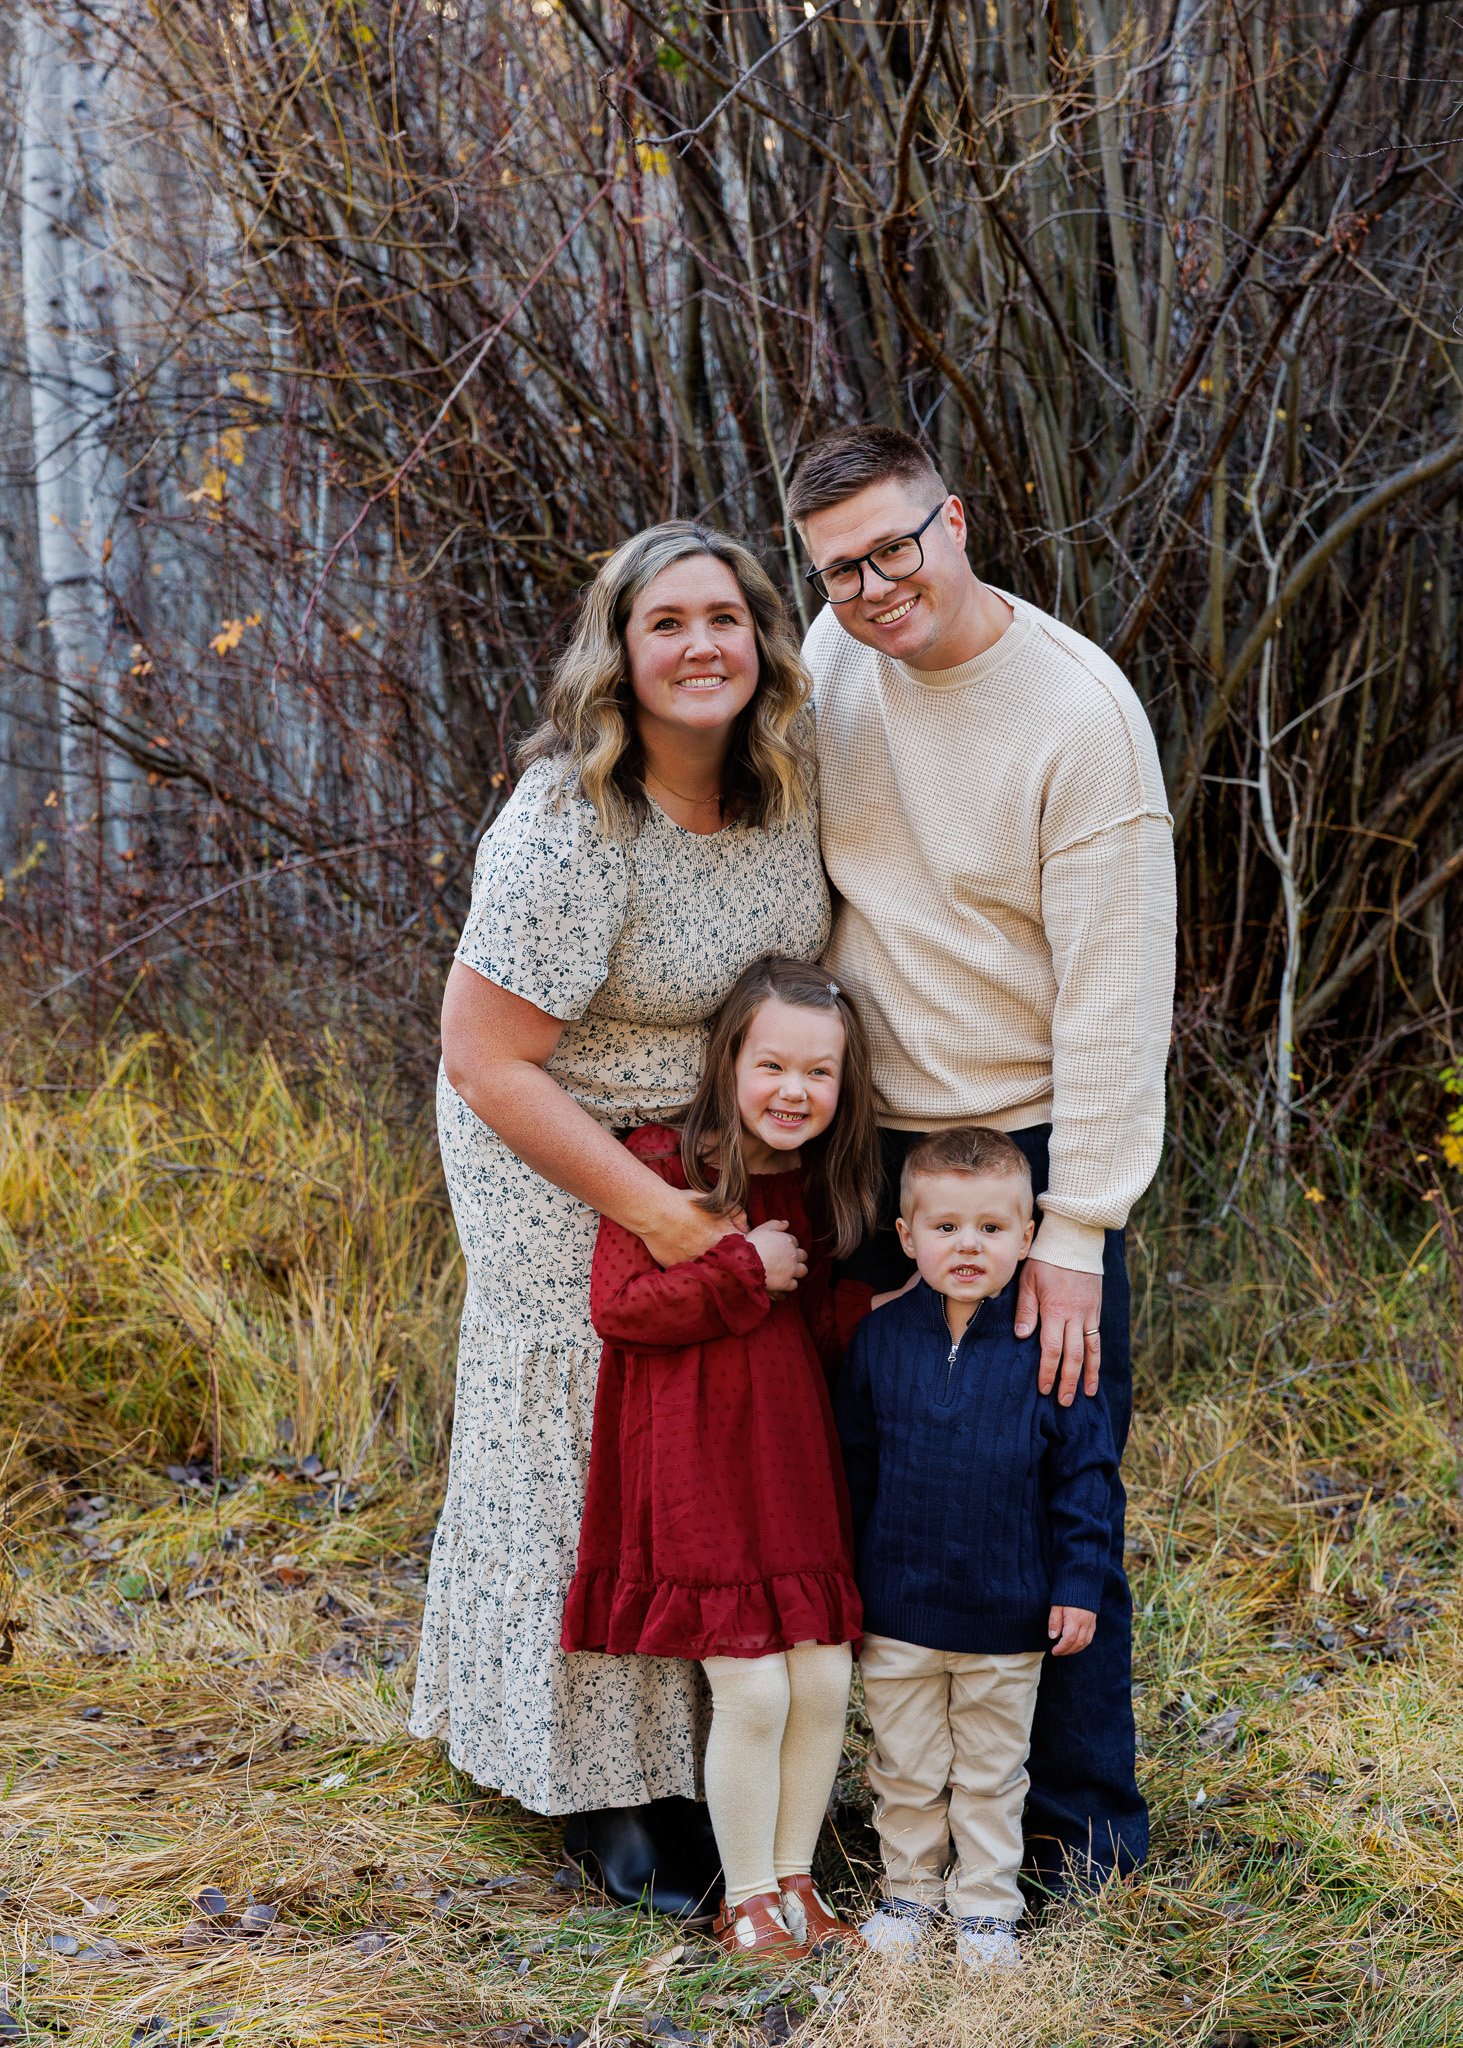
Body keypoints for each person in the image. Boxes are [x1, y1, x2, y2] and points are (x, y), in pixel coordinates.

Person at [410, 523, 832, 1917]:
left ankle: (728, 1755)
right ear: (620, 655)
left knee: (713, 1436)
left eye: (726, 617)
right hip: (558, 1147)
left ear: (763, 641)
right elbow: (484, 1058)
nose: (702, 645)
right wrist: (656, 1214)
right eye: (667, 623)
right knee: (592, 1421)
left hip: (712, 1145)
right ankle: (603, 1786)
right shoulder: (570, 823)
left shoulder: (783, 792)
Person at [789, 424, 1177, 1891]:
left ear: (952, 518)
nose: (877, 586)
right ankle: (896, 1805)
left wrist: (1074, 1227)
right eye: (840, 568)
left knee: (1042, 1483)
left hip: (1017, 1166)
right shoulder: (834, 662)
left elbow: (1115, 991)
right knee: (880, 1481)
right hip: (861, 1149)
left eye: (897, 546)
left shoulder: (1076, 715)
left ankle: (1076, 1833)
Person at [562, 955, 879, 1957]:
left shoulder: (811, 1181)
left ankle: (798, 1881)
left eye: (819, 1073)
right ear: (727, 1058)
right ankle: (745, 1899)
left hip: (787, 1461)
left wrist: (911, 1310)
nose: (795, 1090)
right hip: (695, 1462)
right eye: (773, 1063)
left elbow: (822, 1324)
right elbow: (620, 1307)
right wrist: (744, 1265)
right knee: (753, 1687)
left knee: (822, 1677)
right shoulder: (658, 1163)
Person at [834, 1128, 1117, 1967]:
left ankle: (987, 1907)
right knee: (906, 1768)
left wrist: (1078, 1582)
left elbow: (1084, 1478)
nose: (967, 1246)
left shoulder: (1049, 1350)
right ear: (906, 1237)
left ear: (1027, 1238)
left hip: (1007, 1613)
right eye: (945, 1227)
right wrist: (845, 1588)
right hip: (899, 1610)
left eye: (991, 1229)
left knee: (994, 1773)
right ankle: (908, 1896)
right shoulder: (878, 1344)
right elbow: (853, 1472)